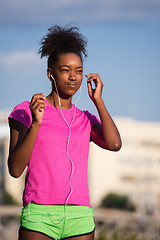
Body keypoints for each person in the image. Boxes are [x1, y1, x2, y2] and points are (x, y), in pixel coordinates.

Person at [8, 25, 122, 240]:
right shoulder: (26, 110)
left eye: (79, 71)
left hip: (79, 217)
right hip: (39, 216)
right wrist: (36, 124)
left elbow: (114, 144)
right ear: (50, 73)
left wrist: (98, 101)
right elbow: (14, 169)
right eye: (65, 70)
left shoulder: (85, 118)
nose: (73, 77)